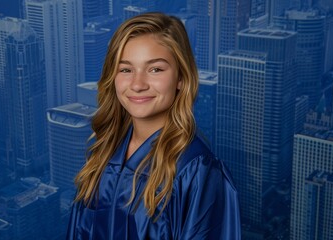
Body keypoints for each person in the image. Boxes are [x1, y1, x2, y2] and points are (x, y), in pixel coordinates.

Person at [66, 12, 240, 239]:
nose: (137, 85)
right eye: (126, 69)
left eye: (155, 69)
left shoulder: (197, 171)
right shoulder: (104, 153)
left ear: (181, 78)